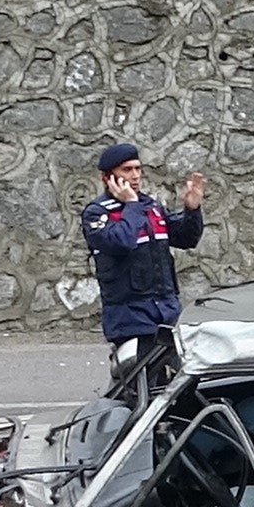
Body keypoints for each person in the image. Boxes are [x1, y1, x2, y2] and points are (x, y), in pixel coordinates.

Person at [82, 143, 207, 396]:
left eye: (138, 169)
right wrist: (131, 204)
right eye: (127, 170)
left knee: (178, 391)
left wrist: (192, 210)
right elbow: (121, 241)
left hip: (166, 314)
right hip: (130, 318)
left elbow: (185, 238)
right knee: (135, 393)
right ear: (107, 177)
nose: (135, 175)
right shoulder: (97, 214)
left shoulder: (150, 207)